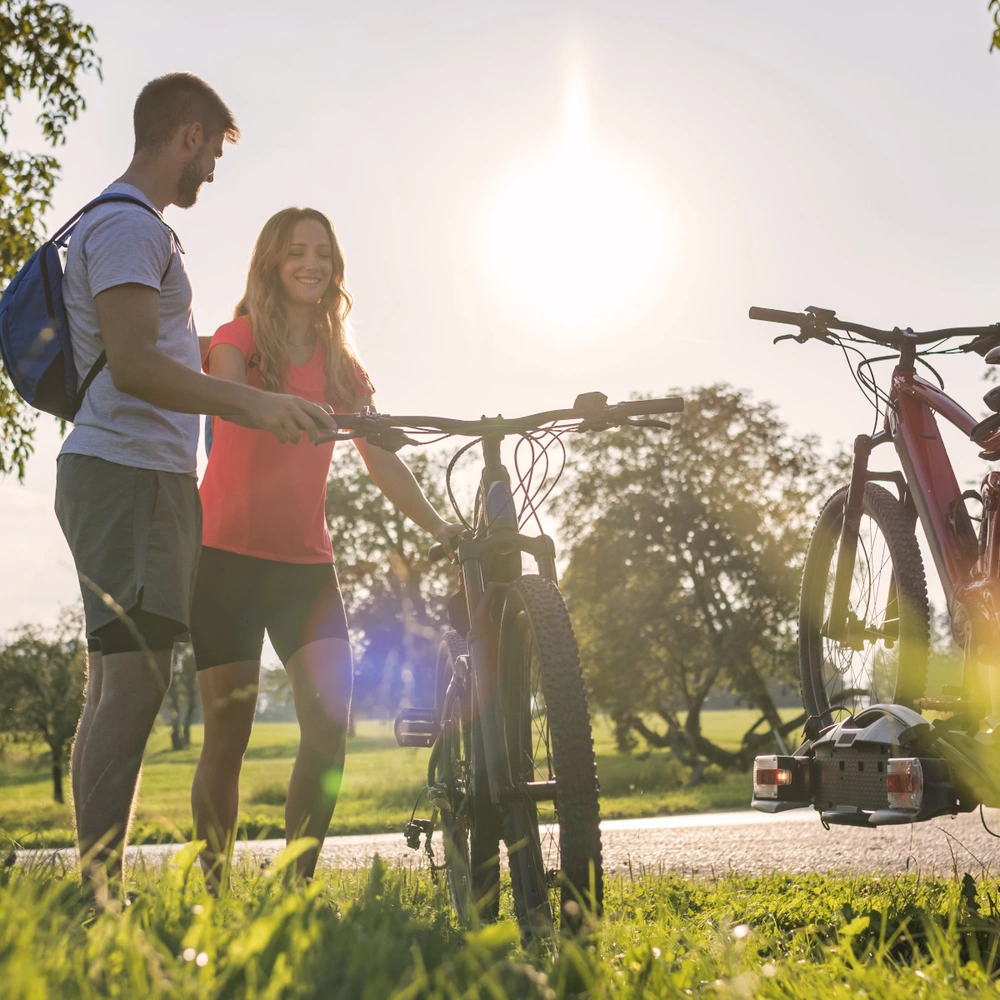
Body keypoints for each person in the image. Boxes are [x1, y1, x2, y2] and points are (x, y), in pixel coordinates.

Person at [57, 74, 337, 903]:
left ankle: (94, 894)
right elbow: (139, 366)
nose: (212, 167)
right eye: (213, 148)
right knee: (133, 684)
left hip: (134, 477)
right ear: (188, 134)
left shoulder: (135, 230)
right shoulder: (126, 229)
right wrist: (257, 403)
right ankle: (98, 899)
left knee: (117, 678)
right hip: (128, 476)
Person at [190, 207, 460, 885]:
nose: (311, 264)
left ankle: (294, 887)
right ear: (271, 265)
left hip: (306, 568)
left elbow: (381, 459)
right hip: (223, 557)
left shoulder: (343, 366)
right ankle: (214, 894)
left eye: (322, 254)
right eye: (295, 253)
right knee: (229, 736)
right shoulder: (241, 336)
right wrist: (269, 406)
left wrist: (443, 529)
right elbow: (220, 397)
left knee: (328, 726)